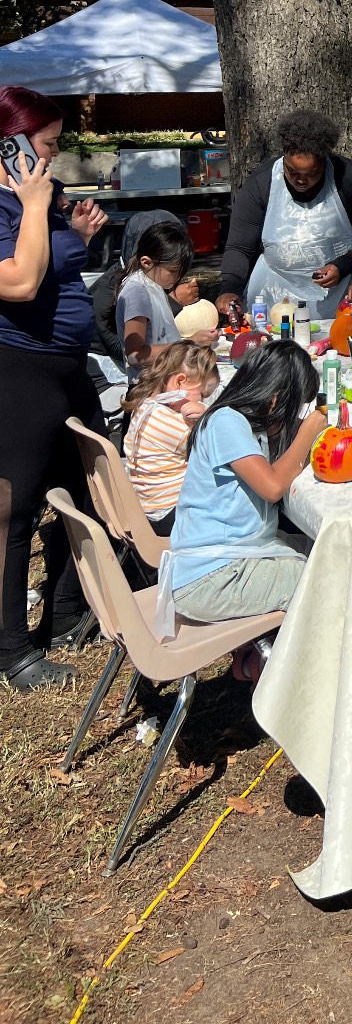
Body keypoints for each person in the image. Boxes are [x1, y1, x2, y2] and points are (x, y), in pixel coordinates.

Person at [0, 85, 108, 690]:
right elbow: (18, 282)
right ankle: (12, 648)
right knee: (14, 513)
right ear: (10, 144)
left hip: (67, 365)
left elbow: (54, 265)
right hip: (18, 367)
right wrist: (34, 207)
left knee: (91, 486)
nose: (56, 154)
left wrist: (76, 235)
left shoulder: (44, 196)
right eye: (46, 143)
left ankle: (68, 610)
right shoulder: (16, 201)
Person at [163, 343, 324, 662]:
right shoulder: (226, 421)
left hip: (229, 560)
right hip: (209, 578)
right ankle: (289, 676)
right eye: (293, 407)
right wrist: (308, 432)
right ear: (276, 397)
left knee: (322, 550)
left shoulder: (242, 421)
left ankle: (254, 661)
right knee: (325, 579)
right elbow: (273, 486)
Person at [217, 111, 352, 324]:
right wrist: (230, 287)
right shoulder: (261, 183)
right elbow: (240, 247)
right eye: (292, 172)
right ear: (284, 157)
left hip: (338, 297)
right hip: (274, 296)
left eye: (312, 174)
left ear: (325, 162)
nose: (301, 181)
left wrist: (343, 265)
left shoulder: (349, 178)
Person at [121, 340, 220, 535]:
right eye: (201, 393)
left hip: (147, 506)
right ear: (180, 382)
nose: (202, 400)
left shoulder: (145, 406)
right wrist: (207, 414)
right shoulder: (175, 426)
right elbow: (218, 448)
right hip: (169, 515)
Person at [91, 208, 183, 372]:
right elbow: (128, 353)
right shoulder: (127, 290)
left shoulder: (153, 279)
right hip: (109, 373)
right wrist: (175, 301)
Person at [116, 220, 210, 378]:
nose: (178, 277)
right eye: (173, 271)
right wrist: (189, 344)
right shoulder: (137, 291)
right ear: (147, 262)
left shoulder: (153, 285)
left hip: (165, 380)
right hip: (148, 389)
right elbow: (135, 355)